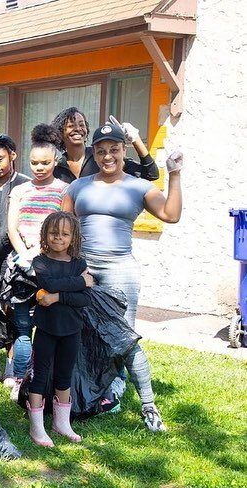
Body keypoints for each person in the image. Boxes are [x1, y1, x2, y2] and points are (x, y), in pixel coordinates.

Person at [62, 121, 184, 431]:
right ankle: (93, 392)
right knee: (83, 332)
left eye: (114, 150)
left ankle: (148, 405)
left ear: (123, 150)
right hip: (85, 267)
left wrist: (175, 173)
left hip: (120, 270)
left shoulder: (138, 186)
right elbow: (63, 229)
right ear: (94, 153)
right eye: (101, 151)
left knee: (124, 338)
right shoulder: (78, 186)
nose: (107, 157)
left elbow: (171, 215)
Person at [5, 124, 69, 397]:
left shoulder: (65, 190)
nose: (39, 167)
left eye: (45, 162)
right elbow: (12, 227)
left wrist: (44, 253)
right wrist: (23, 254)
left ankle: (49, 379)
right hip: (22, 266)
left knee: (50, 328)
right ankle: (20, 379)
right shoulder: (20, 190)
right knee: (22, 327)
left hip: (52, 266)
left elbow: (67, 227)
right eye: (34, 163)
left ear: (56, 161)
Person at [27, 212, 91, 447]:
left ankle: (61, 423)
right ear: (45, 234)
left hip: (72, 329)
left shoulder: (79, 264)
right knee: (40, 376)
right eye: (54, 233)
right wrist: (81, 282)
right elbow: (49, 284)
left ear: (73, 237)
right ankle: (37, 428)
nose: (59, 238)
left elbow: (85, 299)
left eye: (65, 234)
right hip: (46, 329)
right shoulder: (40, 261)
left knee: (64, 376)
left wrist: (57, 298)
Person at [0, 133, 31, 382]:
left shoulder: (25, 184)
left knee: (12, 311)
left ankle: (12, 368)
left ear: (12, 155)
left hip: (14, 259)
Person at [51, 107, 158, 184]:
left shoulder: (101, 157)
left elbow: (151, 174)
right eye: (71, 125)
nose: (78, 129)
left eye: (81, 124)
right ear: (61, 132)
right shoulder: (56, 168)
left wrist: (135, 139)